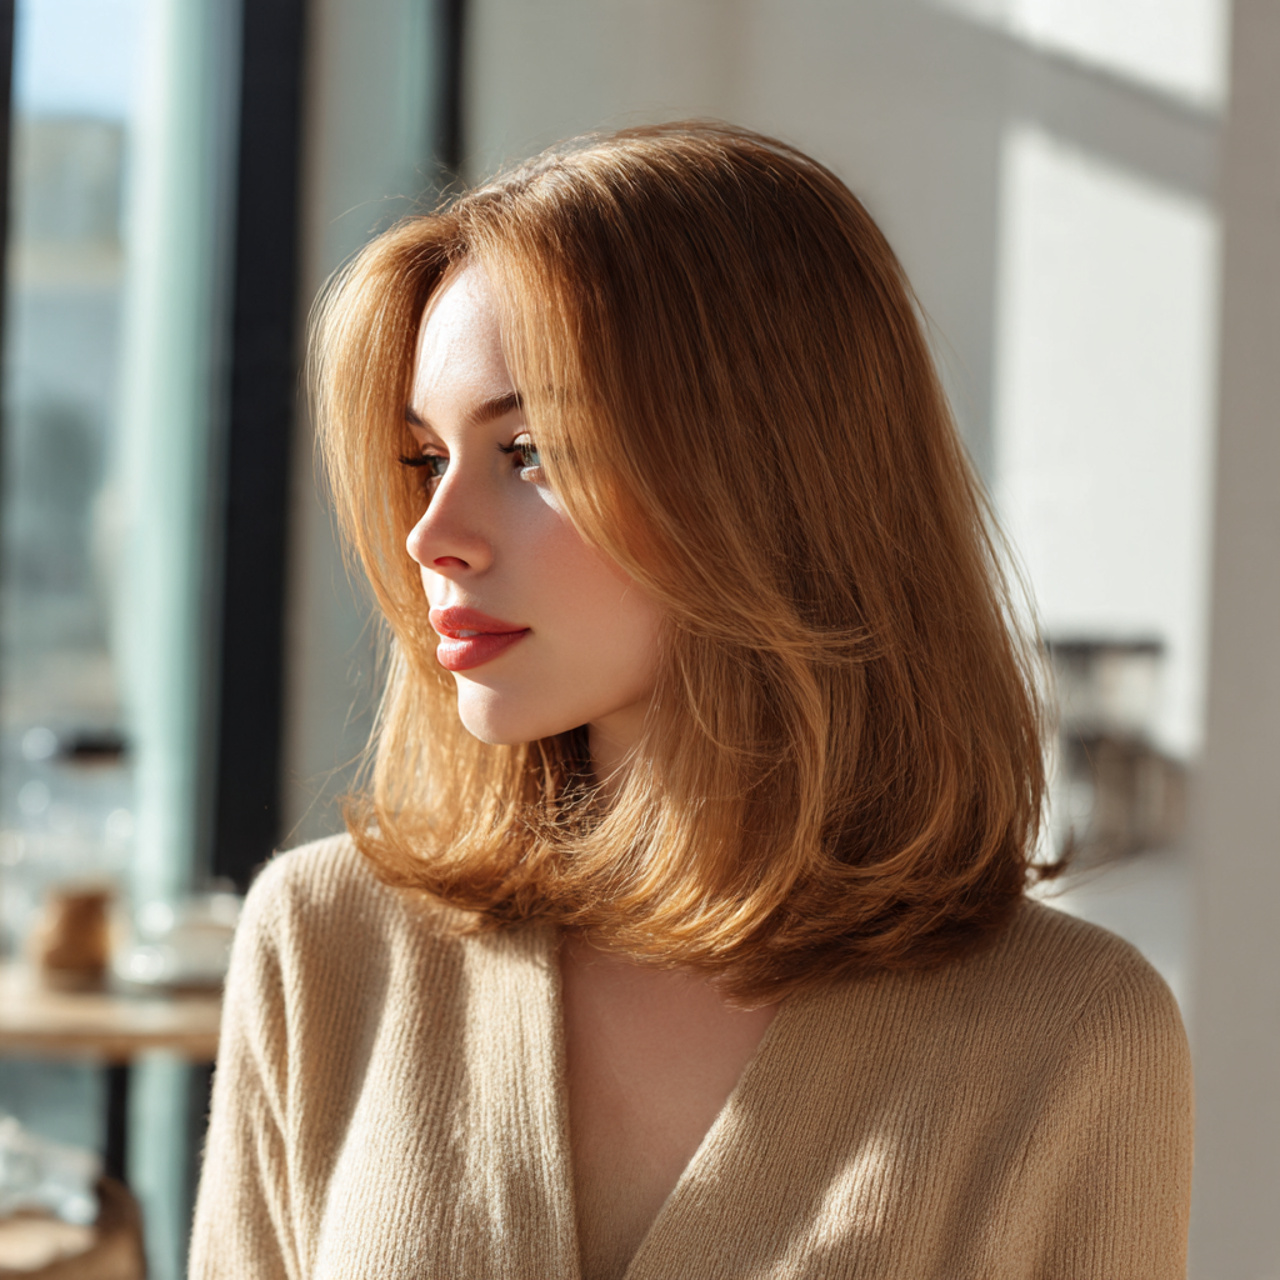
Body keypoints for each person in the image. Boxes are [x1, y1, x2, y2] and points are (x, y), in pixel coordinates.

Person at [189, 123, 1192, 1279]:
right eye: (425, 457)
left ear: (768, 477)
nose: (432, 535)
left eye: (527, 453)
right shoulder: (325, 945)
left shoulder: (1069, 1034)